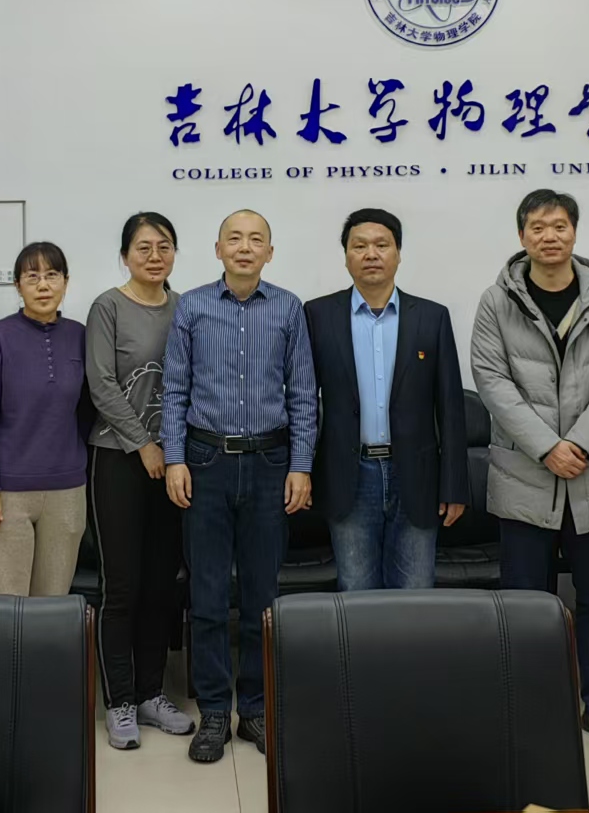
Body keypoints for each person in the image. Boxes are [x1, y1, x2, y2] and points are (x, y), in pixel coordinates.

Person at [470, 189, 589, 754]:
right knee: (526, 605)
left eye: (560, 225)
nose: (550, 236)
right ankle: (529, 707)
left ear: (574, 232)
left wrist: (580, 445)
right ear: (522, 235)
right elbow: (492, 381)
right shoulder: (497, 301)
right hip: (525, 475)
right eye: (538, 227)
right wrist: (548, 446)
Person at [163, 209, 317, 764]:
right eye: (235, 238)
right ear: (218, 249)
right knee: (207, 596)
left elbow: (303, 394)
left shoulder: (289, 308)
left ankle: (253, 706)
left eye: (256, 240)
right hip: (205, 461)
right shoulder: (192, 306)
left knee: (261, 596)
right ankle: (212, 711)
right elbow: (175, 390)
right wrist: (174, 458)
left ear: (270, 252)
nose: (245, 247)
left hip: (271, 462)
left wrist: (301, 465)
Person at [306, 207, 468, 591]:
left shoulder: (431, 317)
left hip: (416, 476)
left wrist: (455, 486)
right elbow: (303, 401)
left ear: (398, 254)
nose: (371, 254)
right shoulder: (317, 315)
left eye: (382, 245)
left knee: (415, 594)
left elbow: (450, 407)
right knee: (355, 593)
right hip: (349, 476)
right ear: (346, 256)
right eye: (359, 246)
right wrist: (302, 470)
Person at [87, 212, 196, 750]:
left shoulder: (186, 307)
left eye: (164, 246)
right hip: (118, 460)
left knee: (161, 583)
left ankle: (153, 693)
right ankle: (121, 700)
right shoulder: (108, 306)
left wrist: (171, 452)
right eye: (144, 247)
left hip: (174, 464)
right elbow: (102, 384)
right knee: (123, 585)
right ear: (125, 255)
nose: (155, 256)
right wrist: (143, 444)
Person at [0, 241, 90, 598]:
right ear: (17, 285)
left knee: (52, 607)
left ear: (66, 282)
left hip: (67, 491)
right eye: (32, 277)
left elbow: (87, 410)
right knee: (4, 609)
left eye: (52, 275)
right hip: (6, 494)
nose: (43, 285)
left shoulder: (80, 336)